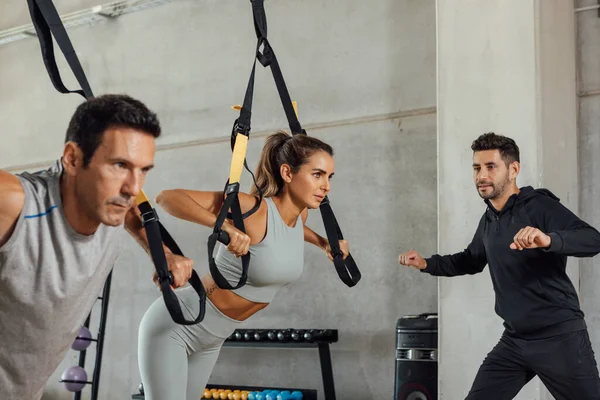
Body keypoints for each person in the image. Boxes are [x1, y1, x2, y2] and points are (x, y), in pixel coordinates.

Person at [0, 94, 194, 400]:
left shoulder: (110, 207)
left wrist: (164, 254)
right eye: (120, 165)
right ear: (73, 158)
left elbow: (133, 212)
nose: (134, 187)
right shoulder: (16, 204)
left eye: (144, 170)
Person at [137, 130, 349, 400]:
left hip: (213, 339)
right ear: (287, 173)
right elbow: (167, 198)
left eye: (329, 177)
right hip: (178, 325)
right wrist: (224, 226)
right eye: (317, 174)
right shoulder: (251, 208)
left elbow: (286, 232)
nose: (326, 186)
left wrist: (323, 242)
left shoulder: (299, 216)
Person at [398, 132, 600, 399]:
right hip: (515, 341)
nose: (482, 175)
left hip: (559, 338)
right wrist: (427, 263)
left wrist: (548, 239)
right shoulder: (490, 219)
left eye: (491, 167)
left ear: (513, 169)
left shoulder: (539, 206)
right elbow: (470, 260)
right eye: (477, 168)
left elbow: (592, 239)